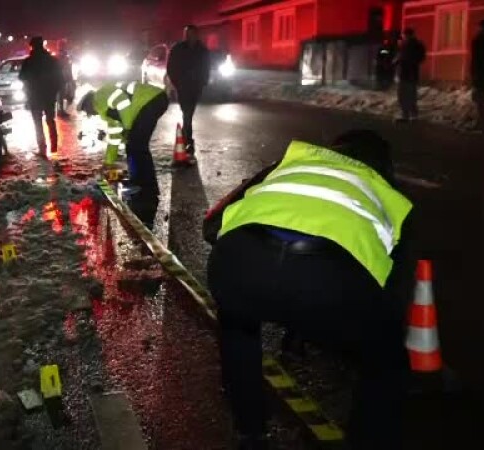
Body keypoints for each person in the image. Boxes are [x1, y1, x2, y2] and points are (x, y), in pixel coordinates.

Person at [204, 130, 414, 450]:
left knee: (238, 327)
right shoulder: (389, 193)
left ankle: (250, 430)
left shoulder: (292, 162)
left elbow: (212, 226)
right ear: (382, 164)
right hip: (324, 280)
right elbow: (391, 281)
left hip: (240, 261)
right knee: (386, 361)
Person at [78, 82, 169, 194]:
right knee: (134, 146)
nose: (90, 114)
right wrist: (108, 163)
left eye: (87, 111)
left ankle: (143, 185)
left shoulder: (101, 96)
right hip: (152, 101)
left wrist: (127, 127)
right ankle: (144, 183)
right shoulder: (107, 114)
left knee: (137, 146)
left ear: (89, 103)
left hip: (151, 99)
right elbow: (114, 139)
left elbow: (123, 102)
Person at [167, 24, 210, 165]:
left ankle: (187, 139)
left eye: (192, 34)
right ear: (185, 35)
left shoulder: (202, 50)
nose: (190, 36)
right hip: (183, 86)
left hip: (196, 87)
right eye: (187, 34)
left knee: (188, 112)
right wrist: (176, 82)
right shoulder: (178, 49)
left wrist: (203, 82)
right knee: (187, 112)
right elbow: (171, 66)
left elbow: (206, 67)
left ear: (196, 35)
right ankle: (188, 140)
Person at [19, 36, 64, 156]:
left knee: (38, 123)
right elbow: (60, 79)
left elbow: (22, 77)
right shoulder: (52, 60)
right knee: (51, 121)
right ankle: (54, 147)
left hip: (34, 96)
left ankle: (42, 148)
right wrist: (54, 91)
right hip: (49, 96)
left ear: (32, 46)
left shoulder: (29, 62)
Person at [394, 28, 426, 122]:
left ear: (406, 35)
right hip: (412, 73)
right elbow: (421, 57)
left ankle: (407, 114)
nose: (403, 37)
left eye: (404, 35)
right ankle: (411, 115)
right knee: (410, 94)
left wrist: (398, 62)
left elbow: (402, 58)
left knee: (404, 94)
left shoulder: (406, 45)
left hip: (405, 73)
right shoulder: (417, 44)